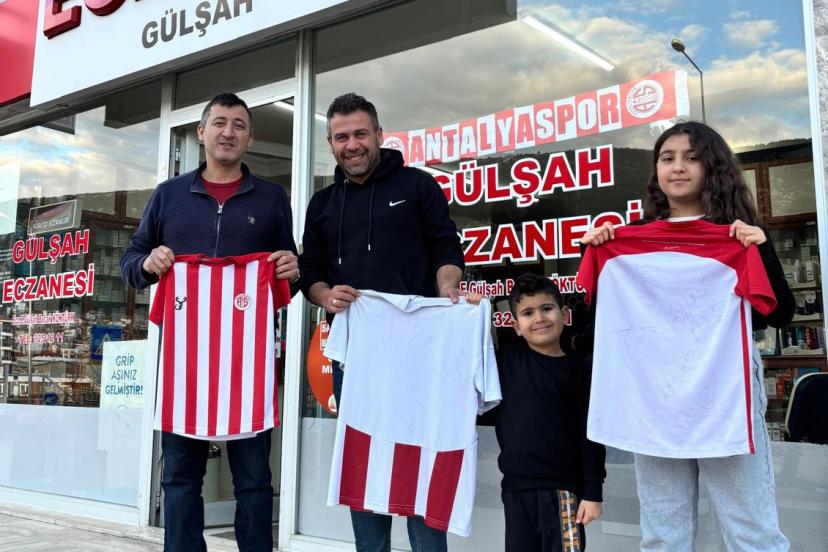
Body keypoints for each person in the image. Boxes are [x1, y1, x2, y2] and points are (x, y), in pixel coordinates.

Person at [580, 121, 793, 552]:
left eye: (692, 157)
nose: (678, 167)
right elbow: (595, 320)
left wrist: (761, 249)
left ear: (712, 167)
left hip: (724, 390)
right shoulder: (627, 238)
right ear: (656, 169)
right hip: (653, 394)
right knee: (663, 532)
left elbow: (779, 314)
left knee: (751, 529)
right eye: (667, 158)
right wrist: (595, 251)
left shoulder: (737, 234)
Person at [120, 92, 299, 552]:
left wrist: (291, 269)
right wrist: (148, 263)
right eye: (219, 123)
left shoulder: (272, 199)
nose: (228, 132)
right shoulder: (169, 196)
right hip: (186, 368)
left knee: (254, 480)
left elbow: (290, 272)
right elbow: (131, 260)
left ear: (250, 138)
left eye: (239, 125)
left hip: (247, 369)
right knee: (180, 478)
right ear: (201, 132)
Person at [299, 92, 465, 552]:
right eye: (341, 137)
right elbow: (310, 269)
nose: (351, 145)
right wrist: (325, 295)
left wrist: (447, 289)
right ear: (330, 144)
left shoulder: (418, 186)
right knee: (365, 465)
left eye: (360, 134)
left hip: (419, 351)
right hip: (356, 354)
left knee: (419, 464)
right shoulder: (323, 203)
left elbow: (446, 247)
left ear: (378, 134)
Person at [468, 274, 605, 551]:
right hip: (515, 491)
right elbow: (475, 352)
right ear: (516, 326)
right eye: (528, 313)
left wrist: (593, 493)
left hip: (563, 491)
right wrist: (476, 313)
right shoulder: (506, 362)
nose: (539, 318)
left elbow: (590, 437)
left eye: (547, 308)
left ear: (564, 314)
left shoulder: (579, 372)